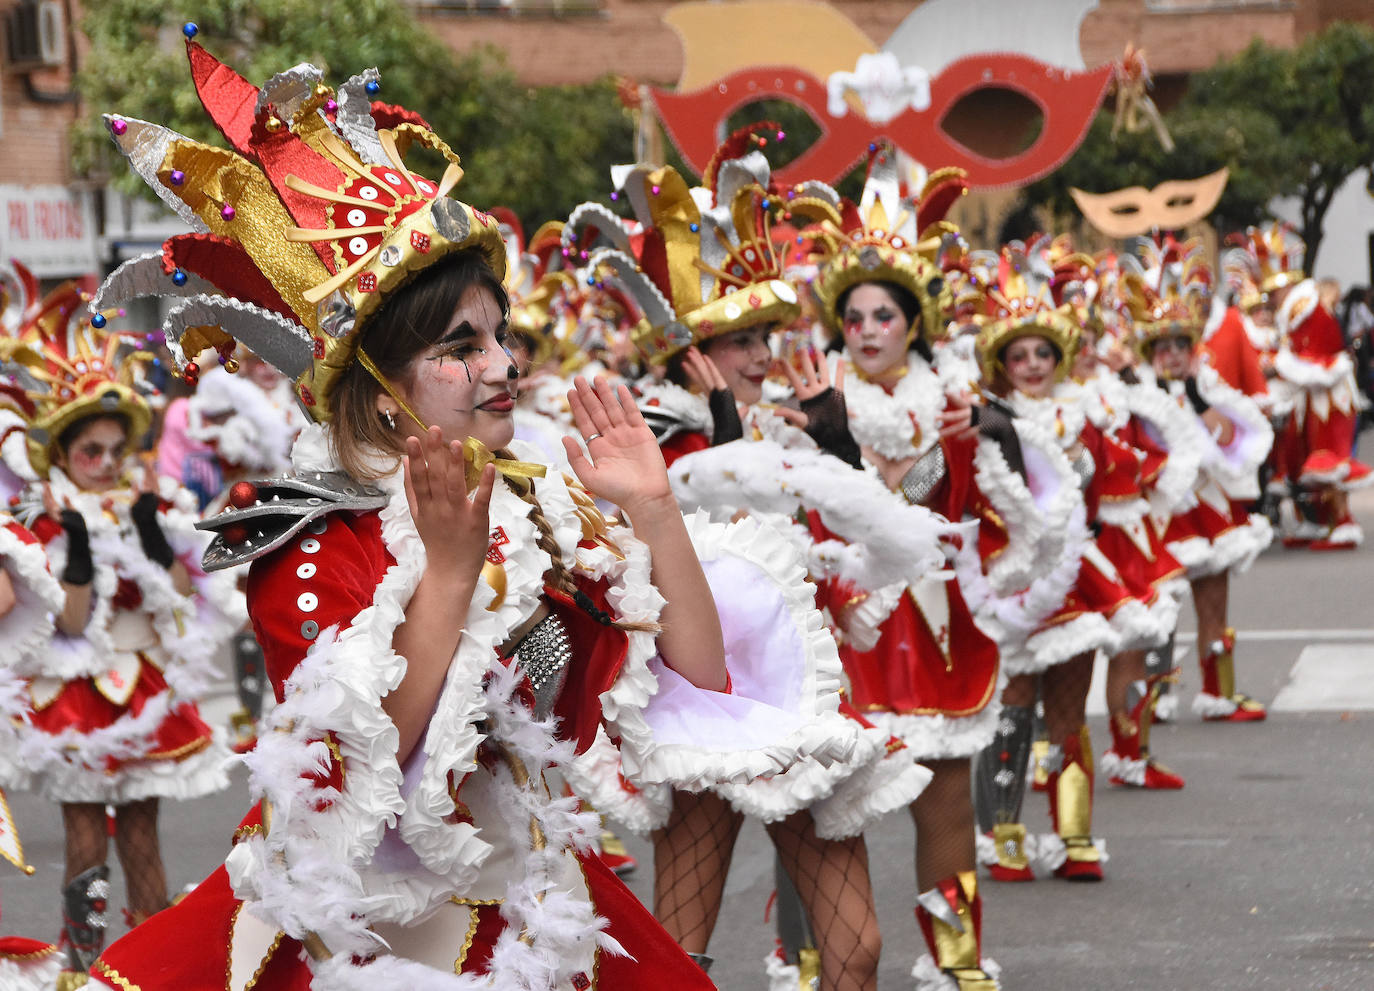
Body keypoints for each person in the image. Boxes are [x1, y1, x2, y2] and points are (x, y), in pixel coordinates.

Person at [88, 39, 860, 990]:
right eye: (465, 346)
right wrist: (449, 575)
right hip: (369, 927)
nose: (503, 365)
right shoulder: (312, 541)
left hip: (537, 896)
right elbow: (358, 782)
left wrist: (656, 515)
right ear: (380, 390)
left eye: (501, 336)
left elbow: (701, 684)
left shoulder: (541, 506)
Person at [576, 146, 938, 991]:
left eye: (767, 336)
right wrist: (730, 428)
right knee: (679, 955)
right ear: (691, 348)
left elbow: (838, 565)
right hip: (698, 701)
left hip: (798, 703)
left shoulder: (782, 430)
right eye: (740, 340)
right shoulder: (649, 438)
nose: (763, 355)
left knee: (857, 950)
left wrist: (837, 442)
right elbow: (668, 557)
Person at [809, 155, 1086, 991]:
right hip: (842, 628)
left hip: (937, 628)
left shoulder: (958, 407)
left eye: (883, 313)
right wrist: (828, 448)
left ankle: (956, 957)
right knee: (822, 811)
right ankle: (812, 957)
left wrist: (998, 435)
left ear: (913, 322)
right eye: (852, 315)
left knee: (945, 802)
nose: (866, 329)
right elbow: (804, 523)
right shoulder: (806, 405)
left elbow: (1017, 519)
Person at [0, 280, 240, 982]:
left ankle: (152, 965)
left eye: (114, 450)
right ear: (65, 455)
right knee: (83, 836)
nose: (105, 464)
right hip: (77, 689)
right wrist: (75, 552)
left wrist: (156, 547)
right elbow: (70, 622)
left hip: (144, 686)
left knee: (141, 832)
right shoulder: (47, 526)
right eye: (90, 452)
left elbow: (181, 606)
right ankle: (83, 962)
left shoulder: (151, 511)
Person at [1118, 238, 1275, 723]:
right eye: (1162, 347)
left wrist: (1199, 402)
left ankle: (1217, 691)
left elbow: (1231, 439)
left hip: (1207, 508)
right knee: (1160, 609)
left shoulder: (1207, 388)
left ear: (1193, 347)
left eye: (1180, 345)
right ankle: (1156, 696)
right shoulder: (1137, 399)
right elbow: (1130, 457)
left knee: (1214, 600)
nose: (1172, 355)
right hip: (1161, 512)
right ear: (1151, 351)